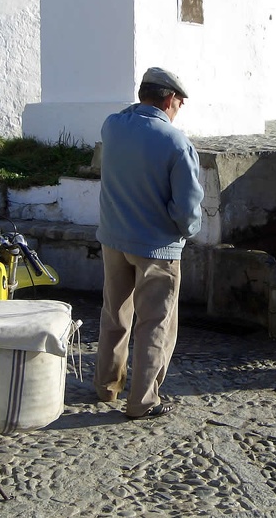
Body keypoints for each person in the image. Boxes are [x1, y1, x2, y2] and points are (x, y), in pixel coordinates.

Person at [94, 66, 204, 420]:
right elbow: (187, 209)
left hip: (113, 238)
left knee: (115, 315)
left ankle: (106, 386)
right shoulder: (176, 143)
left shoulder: (112, 127)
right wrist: (186, 231)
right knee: (155, 323)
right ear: (170, 99)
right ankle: (142, 401)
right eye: (179, 103)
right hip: (157, 247)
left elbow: (129, 115)